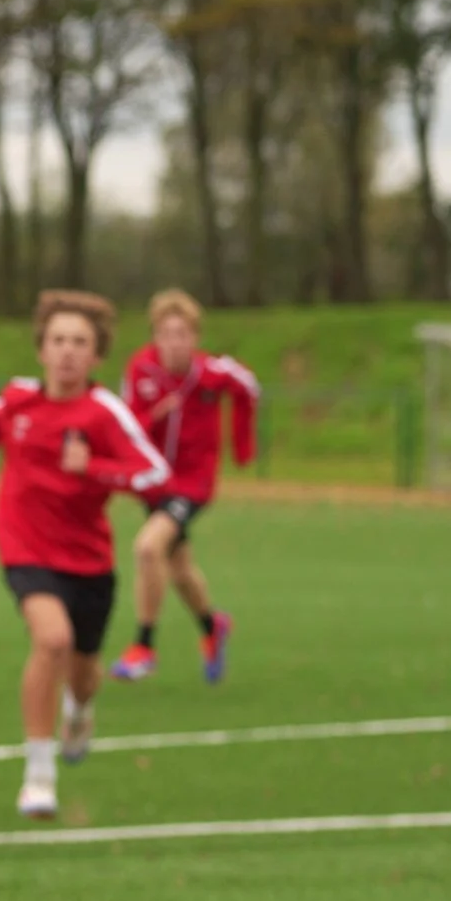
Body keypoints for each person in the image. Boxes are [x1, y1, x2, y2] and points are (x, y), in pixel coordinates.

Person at [0, 291, 168, 819]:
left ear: (97, 357)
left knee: (84, 668)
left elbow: (152, 472)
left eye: (80, 343)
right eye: (58, 341)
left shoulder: (104, 413)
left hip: (89, 559)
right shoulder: (13, 401)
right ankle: (38, 776)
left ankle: (81, 708)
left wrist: (92, 468)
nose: (67, 352)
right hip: (24, 545)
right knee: (52, 641)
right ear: (40, 349)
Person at [109, 291, 259, 682]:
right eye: (166, 333)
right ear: (154, 337)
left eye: (182, 333)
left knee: (147, 548)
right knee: (179, 569)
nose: (175, 341)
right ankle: (212, 628)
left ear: (195, 337)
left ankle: (143, 646)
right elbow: (125, 426)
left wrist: (242, 447)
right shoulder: (140, 370)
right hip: (156, 483)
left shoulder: (211, 372)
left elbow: (248, 390)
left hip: (192, 484)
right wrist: (154, 415)